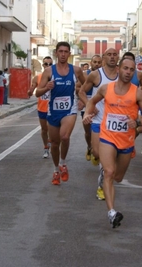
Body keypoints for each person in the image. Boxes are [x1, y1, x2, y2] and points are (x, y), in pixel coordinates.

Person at [82, 58, 142, 228]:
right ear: (119, 69)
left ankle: (107, 178)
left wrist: (137, 122)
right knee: (109, 172)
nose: (128, 72)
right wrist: (86, 114)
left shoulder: (137, 93)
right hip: (108, 136)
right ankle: (112, 213)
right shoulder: (106, 88)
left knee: (118, 177)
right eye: (125, 68)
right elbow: (92, 100)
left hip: (126, 140)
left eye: (131, 70)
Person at [35, 42, 85, 185]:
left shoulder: (76, 70)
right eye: (60, 51)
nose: (63, 54)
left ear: (69, 53)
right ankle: (56, 169)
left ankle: (63, 163)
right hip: (53, 111)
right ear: (56, 53)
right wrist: (46, 88)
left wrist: (82, 99)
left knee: (65, 136)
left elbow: (86, 86)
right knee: (55, 143)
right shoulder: (49, 71)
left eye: (66, 51)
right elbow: (37, 92)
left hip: (70, 109)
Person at [79, 48, 119, 200]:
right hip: (98, 119)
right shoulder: (96, 75)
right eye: (109, 54)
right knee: (97, 153)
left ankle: (102, 186)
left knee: (108, 158)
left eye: (115, 54)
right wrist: (90, 105)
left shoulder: (123, 75)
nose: (112, 57)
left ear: (118, 57)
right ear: (104, 58)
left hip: (115, 122)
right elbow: (82, 92)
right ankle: (95, 155)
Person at [75, 55, 102, 161]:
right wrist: (83, 100)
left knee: (99, 129)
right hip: (87, 103)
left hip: (100, 104)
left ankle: (99, 150)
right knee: (88, 131)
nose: (97, 64)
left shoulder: (104, 75)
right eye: (94, 62)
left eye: (99, 62)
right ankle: (89, 146)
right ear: (91, 63)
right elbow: (78, 87)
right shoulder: (86, 75)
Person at [28, 56, 53, 159]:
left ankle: (51, 142)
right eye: (46, 64)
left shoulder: (55, 76)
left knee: (52, 129)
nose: (48, 66)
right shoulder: (37, 77)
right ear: (43, 65)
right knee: (44, 129)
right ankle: (46, 147)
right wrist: (30, 91)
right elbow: (32, 89)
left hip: (53, 108)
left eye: (50, 64)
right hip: (42, 108)